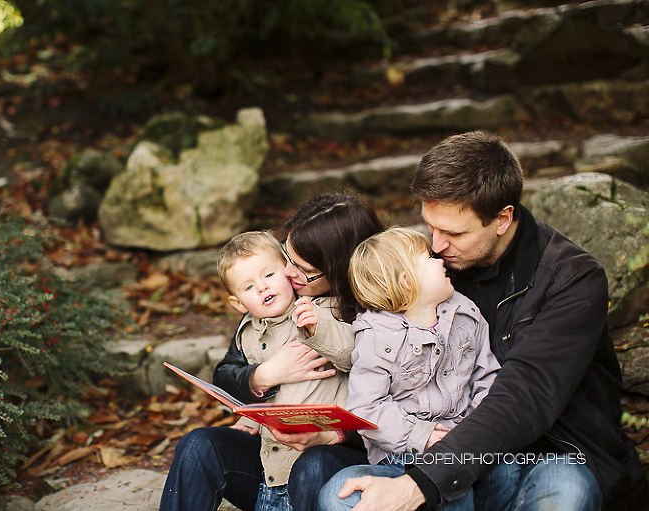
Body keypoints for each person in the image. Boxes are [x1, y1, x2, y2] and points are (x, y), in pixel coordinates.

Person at [324, 131, 648, 511]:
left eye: (453, 233)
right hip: (444, 450)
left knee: (563, 500)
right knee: (339, 494)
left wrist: (423, 483)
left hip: (550, 453)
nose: (437, 246)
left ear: (502, 219)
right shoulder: (432, 270)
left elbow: (524, 396)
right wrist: (341, 432)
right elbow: (390, 366)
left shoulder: (572, 279)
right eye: (431, 227)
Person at [159, 193, 385, 511]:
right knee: (198, 444)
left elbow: (367, 371)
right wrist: (262, 377)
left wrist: (333, 435)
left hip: (339, 460)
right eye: (287, 259)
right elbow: (226, 374)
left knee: (314, 463)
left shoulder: (350, 312)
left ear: (335, 269)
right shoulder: (262, 318)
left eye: (300, 268)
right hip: (273, 460)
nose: (287, 274)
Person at [319, 227, 502, 511]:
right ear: (407, 281)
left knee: (476, 482)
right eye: (429, 257)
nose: (440, 259)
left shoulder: (465, 312)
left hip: (461, 449)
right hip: (400, 456)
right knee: (336, 493)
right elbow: (366, 407)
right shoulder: (377, 336)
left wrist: (473, 435)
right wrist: (421, 435)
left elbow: (486, 377)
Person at [210, 230, 355, 510]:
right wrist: (252, 417)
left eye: (268, 275)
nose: (262, 287)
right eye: (249, 287)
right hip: (273, 465)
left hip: (327, 453)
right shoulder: (248, 332)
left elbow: (353, 353)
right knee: (197, 443)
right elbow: (244, 385)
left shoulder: (322, 308)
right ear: (238, 303)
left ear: (289, 272)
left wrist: (319, 327)